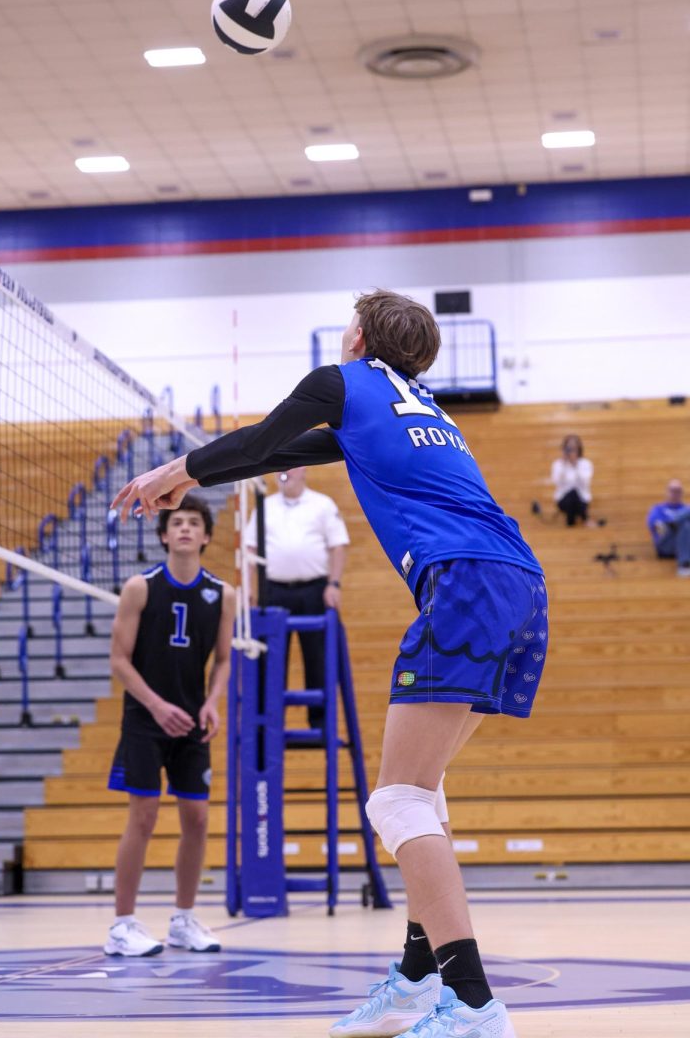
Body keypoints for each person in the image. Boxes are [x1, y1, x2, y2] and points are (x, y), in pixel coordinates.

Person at [113, 289, 546, 1038]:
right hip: (523, 585)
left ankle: (474, 1004)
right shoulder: (425, 408)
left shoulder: (342, 380)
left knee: (398, 803)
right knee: (423, 791)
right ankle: (416, 980)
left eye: (350, 321)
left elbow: (261, 439)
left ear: (361, 336)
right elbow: (284, 452)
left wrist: (170, 471)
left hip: (466, 583)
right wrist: (196, 477)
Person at [104, 495, 235, 958]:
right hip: (145, 719)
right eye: (176, 522)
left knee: (197, 819)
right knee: (143, 816)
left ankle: (182, 920)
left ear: (206, 536)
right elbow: (119, 660)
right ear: (163, 534)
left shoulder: (223, 594)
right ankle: (122, 925)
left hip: (192, 720)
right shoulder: (140, 588)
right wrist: (157, 706)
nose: (184, 528)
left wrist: (213, 703)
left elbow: (224, 660)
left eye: (194, 522)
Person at [246, 466, 349, 729]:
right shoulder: (264, 506)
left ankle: (320, 725)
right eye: (279, 468)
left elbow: (338, 545)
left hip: (314, 590)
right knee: (270, 661)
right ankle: (269, 727)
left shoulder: (322, 504)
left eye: (289, 467)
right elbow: (250, 549)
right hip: (273, 591)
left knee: (317, 658)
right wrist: (248, 588)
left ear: (303, 470)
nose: (284, 472)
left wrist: (334, 584)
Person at [647, 478, 690, 577]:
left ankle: (685, 564)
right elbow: (659, 529)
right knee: (685, 519)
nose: (675, 494)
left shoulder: (685, 508)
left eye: (678, 491)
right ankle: (673, 524)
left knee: (685, 526)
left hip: (685, 542)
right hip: (666, 543)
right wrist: (668, 527)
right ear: (667, 492)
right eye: (673, 490)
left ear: (681, 493)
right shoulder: (658, 509)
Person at [551, 434, 595, 526]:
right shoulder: (558, 464)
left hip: (581, 500)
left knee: (574, 493)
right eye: (569, 449)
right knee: (571, 494)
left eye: (573, 449)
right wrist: (564, 464)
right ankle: (585, 519)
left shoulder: (585, 464)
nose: (571, 452)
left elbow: (584, 483)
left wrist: (575, 465)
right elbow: (557, 482)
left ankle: (571, 521)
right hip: (563, 500)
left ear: (578, 449)